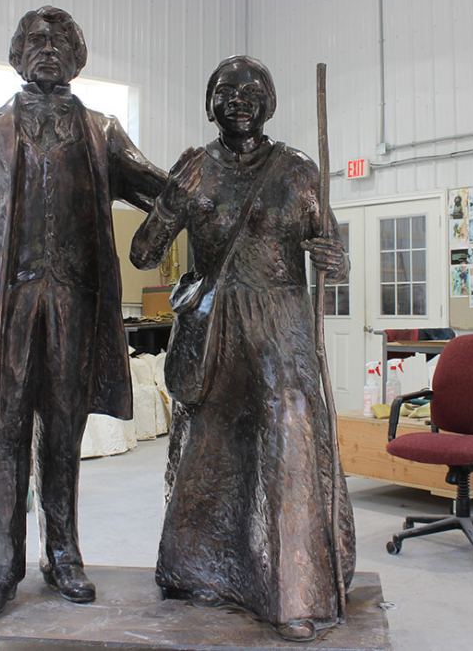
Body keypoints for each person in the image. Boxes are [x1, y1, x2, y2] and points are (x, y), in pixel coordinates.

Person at [0, 6, 166, 621]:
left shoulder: (102, 131)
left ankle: (63, 554)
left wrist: (211, 189)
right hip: (3, 306)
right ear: (16, 54)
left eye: (62, 42)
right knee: (4, 435)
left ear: (79, 59)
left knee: (63, 432)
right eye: (37, 41)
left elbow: (155, 188)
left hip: (73, 305)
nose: (49, 50)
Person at [131, 56, 356, 643]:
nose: (238, 99)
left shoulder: (299, 171)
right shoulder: (195, 167)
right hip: (212, 326)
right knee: (209, 449)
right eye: (225, 91)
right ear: (210, 104)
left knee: (291, 447)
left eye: (251, 90)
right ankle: (199, 572)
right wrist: (170, 202)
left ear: (270, 102)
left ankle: (295, 594)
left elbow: (328, 243)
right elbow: (143, 253)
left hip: (281, 324)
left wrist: (338, 258)